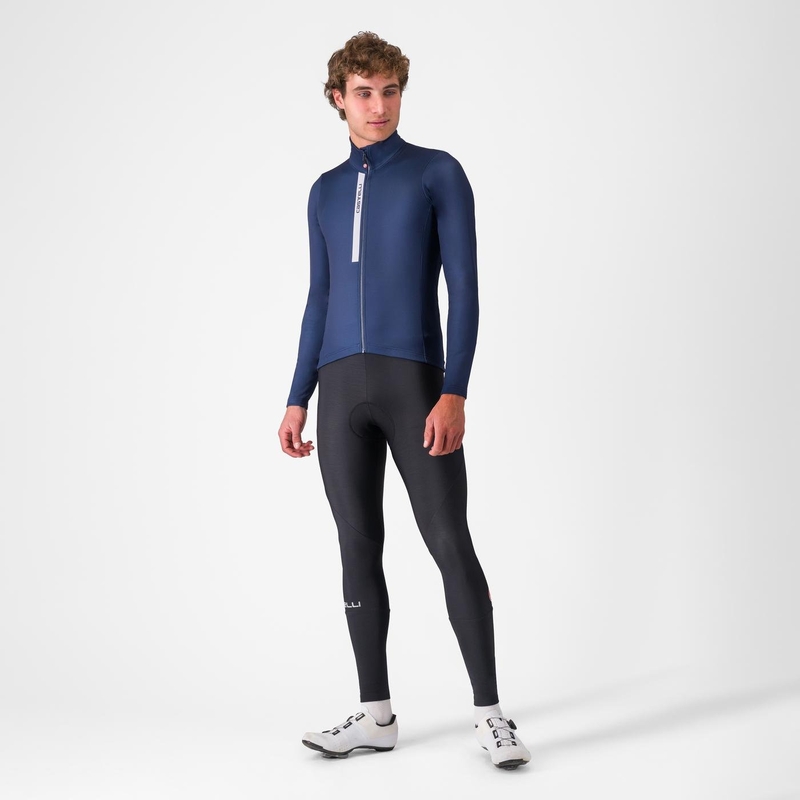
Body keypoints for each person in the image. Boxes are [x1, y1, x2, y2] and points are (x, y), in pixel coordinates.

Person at [277, 31, 531, 770]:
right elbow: (319, 297)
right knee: (357, 546)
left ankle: (491, 716)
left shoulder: (435, 172)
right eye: (364, 92)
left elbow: (466, 290)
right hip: (339, 391)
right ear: (338, 98)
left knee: (449, 539)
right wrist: (297, 396)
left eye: (390, 91)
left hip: (415, 382)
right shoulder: (324, 191)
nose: (379, 105)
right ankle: (375, 715)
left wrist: (454, 390)